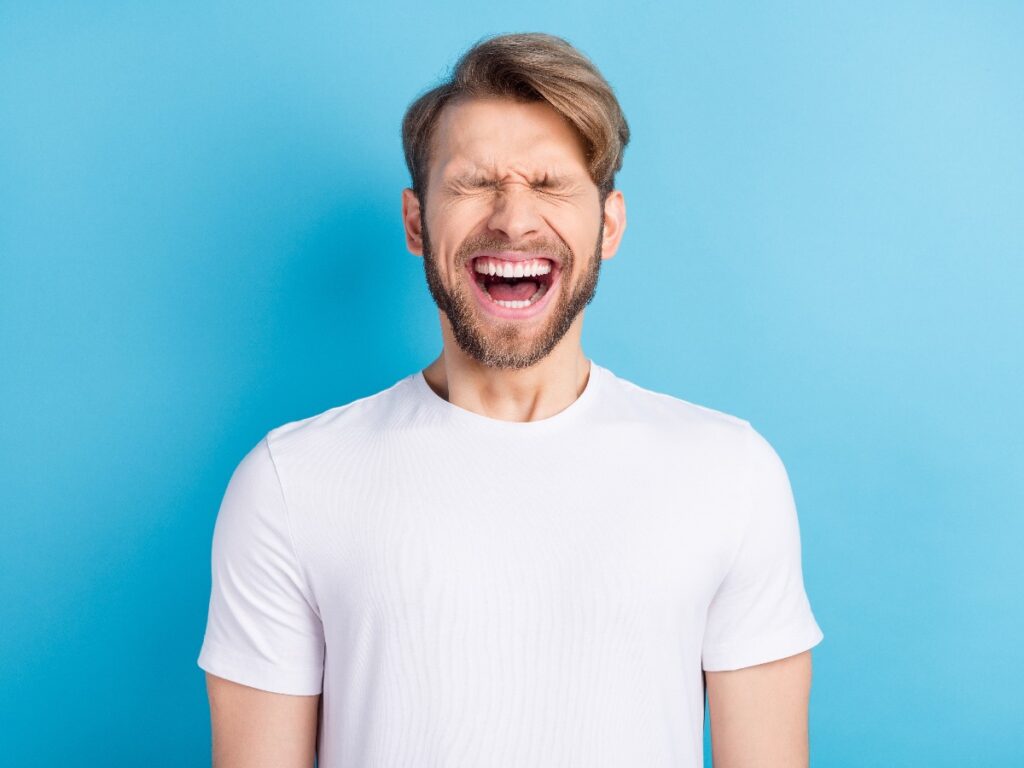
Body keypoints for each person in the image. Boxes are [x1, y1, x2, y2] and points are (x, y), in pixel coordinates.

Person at [197, 32, 824, 768]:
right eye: (472, 184)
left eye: (551, 184)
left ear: (610, 225)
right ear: (414, 223)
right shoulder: (288, 484)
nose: (514, 219)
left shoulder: (731, 475)